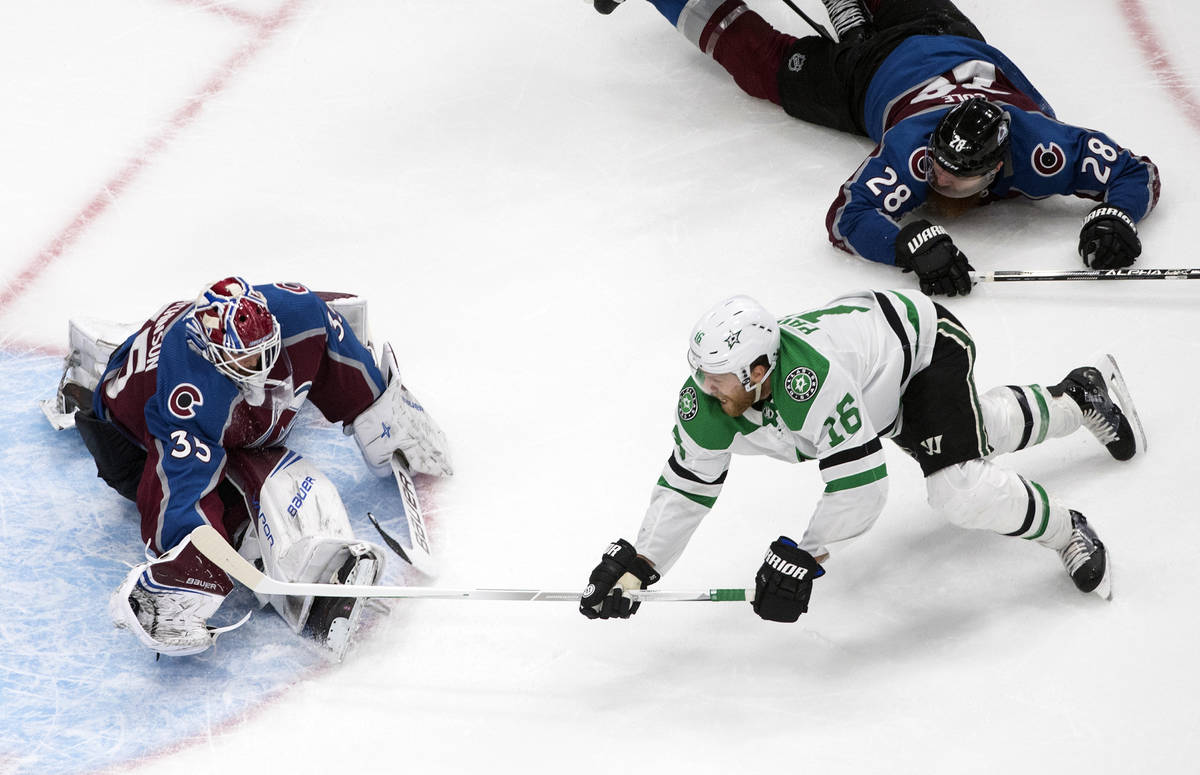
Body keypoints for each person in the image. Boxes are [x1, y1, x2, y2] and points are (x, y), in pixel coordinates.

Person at [579, 291, 1144, 621]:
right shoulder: (709, 397)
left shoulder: (811, 382)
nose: (705, 387)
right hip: (875, 377)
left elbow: (863, 484)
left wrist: (804, 557)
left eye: (718, 376)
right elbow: (688, 483)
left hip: (923, 348)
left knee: (959, 486)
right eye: (700, 373)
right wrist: (642, 565)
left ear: (759, 370)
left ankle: (1068, 528)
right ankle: (1081, 396)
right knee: (983, 431)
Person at [592, 0, 1160, 296]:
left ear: (993, 171)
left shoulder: (1044, 151)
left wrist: (1116, 216)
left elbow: (1133, 173)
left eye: (955, 176)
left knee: (758, 60)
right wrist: (908, 242)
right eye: (936, 163)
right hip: (916, 41)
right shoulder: (919, 149)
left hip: (887, 65)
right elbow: (848, 216)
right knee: (770, 58)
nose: (936, 179)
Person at [60, 277, 452, 657]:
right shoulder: (187, 393)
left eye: (264, 349)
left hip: (176, 361)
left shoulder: (298, 309)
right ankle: (290, 565)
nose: (260, 365)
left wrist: (381, 409)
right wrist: (191, 562)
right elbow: (179, 489)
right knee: (259, 483)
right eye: (245, 358)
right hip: (127, 438)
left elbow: (332, 342)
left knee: (258, 426)